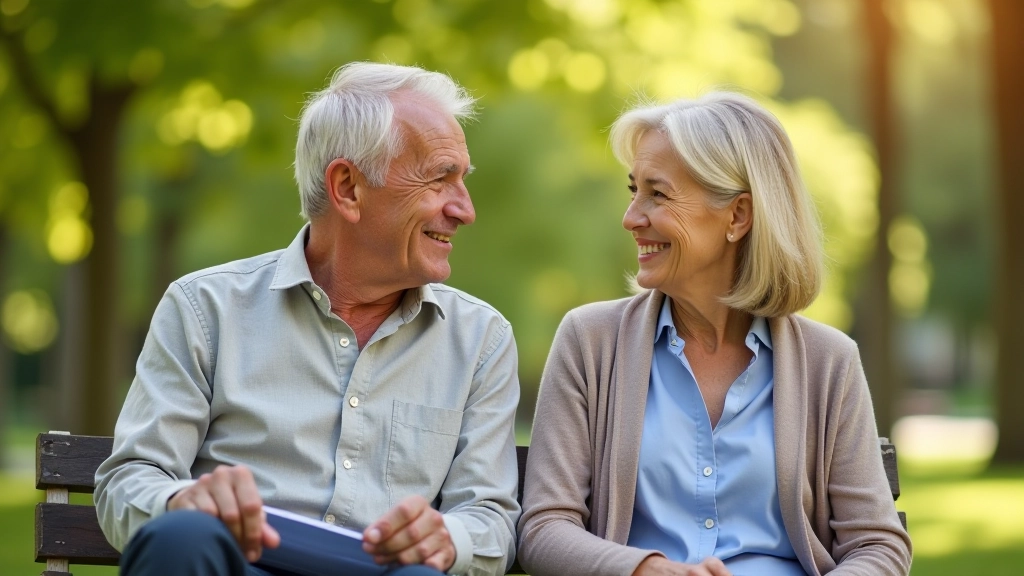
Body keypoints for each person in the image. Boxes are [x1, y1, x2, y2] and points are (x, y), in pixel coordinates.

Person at [94, 62, 521, 576]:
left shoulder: (482, 340)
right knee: (182, 537)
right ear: (347, 188)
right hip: (239, 563)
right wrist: (182, 502)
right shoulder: (205, 308)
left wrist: (448, 537)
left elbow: (490, 518)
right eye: (439, 178)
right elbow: (132, 479)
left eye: (462, 181)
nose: (465, 209)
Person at [517, 92, 912, 576]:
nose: (631, 217)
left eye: (657, 194)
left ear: (738, 216)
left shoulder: (829, 360)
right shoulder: (590, 341)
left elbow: (877, 544)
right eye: (633, 190)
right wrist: (646, 570)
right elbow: (543, 527)